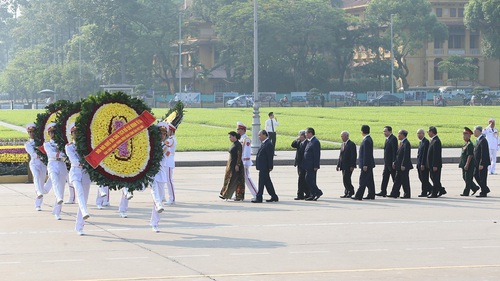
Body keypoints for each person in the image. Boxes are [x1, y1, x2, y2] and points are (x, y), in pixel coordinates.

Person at [65, 123, 91, 235]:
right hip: (75, 172)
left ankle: (79, 227)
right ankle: (85, 211)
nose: (76, 134)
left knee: (84, 198)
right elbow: (74, 160)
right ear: (71, 134)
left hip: (85, 173)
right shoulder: (69, 146)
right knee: (79, 192)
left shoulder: (87, 146)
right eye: (74, 132)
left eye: (78, 132)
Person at [43, 123, 68, 220]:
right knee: (54, 180)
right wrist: (60, 154)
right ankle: (58, 197)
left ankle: (57, 211)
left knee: (61, 187)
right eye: (52, 132)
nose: (53, 134)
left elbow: (65, 154)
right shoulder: (47, 144)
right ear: (49, 133)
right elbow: (51, 154)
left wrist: (60, 154)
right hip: (52, 164)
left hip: (61, 164)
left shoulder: (63, 144)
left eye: (55, 132)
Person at [24, 123, 51, 211]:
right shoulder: (28, 144)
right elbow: (33, 154)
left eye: (33, 131)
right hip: (34, 163)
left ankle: (39, 202)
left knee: (41, 183)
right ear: (28, 133)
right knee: (36, 177)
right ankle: (39, 194)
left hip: (42, 164)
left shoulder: (42, 142)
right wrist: (40, 154)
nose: (32, 133)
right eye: (30, 132)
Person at [150, 122, 168, 233]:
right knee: (154, 191)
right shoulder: (151, 144)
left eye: (164, 133)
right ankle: (159, 204)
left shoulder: (165, 146)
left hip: (161, 174)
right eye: (160, 133)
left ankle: (154, 223)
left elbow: (161, 161)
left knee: (158, 197)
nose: (162, 135)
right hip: (152, 174)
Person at [252, 130, 279, 203]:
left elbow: (270, 157)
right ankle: (274, 196)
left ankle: (259, 197)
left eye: (260, 135)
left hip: (265, 167)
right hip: (262, 166)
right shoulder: (264, 143)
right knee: (267, 182)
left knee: (261, 183)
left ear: (265, 135)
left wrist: (270, 166)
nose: (258, 137)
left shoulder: (268, 144)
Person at [352, 125, 375, 200]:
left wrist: (365, 164)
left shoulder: (366, 141)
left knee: (363, 180)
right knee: (369, 180)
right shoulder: (368, 139)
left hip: (366, 164)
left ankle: (358, 195)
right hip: (369, 164)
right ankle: (371, 194)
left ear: (362, 131)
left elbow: (366, 154)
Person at [220, 131, 245, 200]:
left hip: (236, 165)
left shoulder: (238, 145)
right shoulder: (234, 144)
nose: (229, 138)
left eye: (230, 137)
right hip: (231, 164)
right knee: (229, 179)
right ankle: (226, 194)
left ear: (234, 137)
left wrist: (238, 165)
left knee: (234, 180)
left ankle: (231, 195)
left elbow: (239, 156)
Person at [236, 122, 258, 200]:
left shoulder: (246, 139)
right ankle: (238, 194)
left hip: (244, 162)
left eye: (238, 129)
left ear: (242, 130)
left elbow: (247, 152)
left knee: (247, 178)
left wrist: (245, 162)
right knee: (238, 179)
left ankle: (256, 194)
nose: (237, 130)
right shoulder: (240, 139)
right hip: (240, 161)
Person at [388, 129, 413, 198]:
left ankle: (407, 194)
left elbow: (406, 155)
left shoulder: (406, 143)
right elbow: (398, 155)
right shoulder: (401, 143)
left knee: (405, 181)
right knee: (397, 180)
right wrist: (395, 162)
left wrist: (403, 165)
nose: (398, 135)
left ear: (402, 135)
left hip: (403, 166)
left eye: (399, 134)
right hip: (398, 165)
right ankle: (394, 193)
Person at [376, 126, 397, 197]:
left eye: (385, 131)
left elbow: (394, 151)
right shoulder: (387, 139)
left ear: (390, 131)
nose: (384, 133)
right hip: (387, 162)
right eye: (384, 131)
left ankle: (396, 191)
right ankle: (383, 191)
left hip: (391, 162)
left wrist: (394, 161)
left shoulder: (393, 139)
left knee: (394, 177)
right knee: (385, 176)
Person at [303, 127, 323, 201]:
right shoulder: (309, 141)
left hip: (312, 165)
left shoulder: (315, 142)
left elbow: (316, 155)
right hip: (308, 165)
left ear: (310, 133)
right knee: (308, 179)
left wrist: (316, 165)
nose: (305, 134)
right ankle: (312, 194)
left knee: (309, 179)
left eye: (306, 133)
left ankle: (317, 192)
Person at [459, 127, 480, 196]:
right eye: (463, 134)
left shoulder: (470, 144)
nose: (463, 136)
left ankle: (466, 192)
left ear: (469, 136)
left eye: (465, 135)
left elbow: (470, 155)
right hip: (464, 163)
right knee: (465, 177)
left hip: (469, 165)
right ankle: (474, 187)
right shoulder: (466, 144)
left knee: (468, 178)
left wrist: (467, 164)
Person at [427, 126, 446, 198]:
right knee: (433, 178)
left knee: (435, 179)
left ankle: (434, 193)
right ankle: (441, 190)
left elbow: (436, 154)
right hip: (431, 164)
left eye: (428, 131)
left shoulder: (436, 141)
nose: (428, 133)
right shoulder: (432, 140)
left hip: (435, 165)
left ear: (431, 132)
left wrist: (435, 165)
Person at [337, 131, 357, 198]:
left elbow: (353, 156)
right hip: (343, 165)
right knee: (344, 179)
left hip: (349, 165)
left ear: (347, 136)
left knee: (347, 179)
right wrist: (338, 165)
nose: (341, 137)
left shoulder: (351, 144)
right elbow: (340, 155)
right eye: (341, 136)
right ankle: (346, 192)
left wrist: (352, 165)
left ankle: (351, 191)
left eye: (343, 136)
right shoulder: (342, 144)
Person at [291, 130, 309, 200]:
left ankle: (301, 194)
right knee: (301, 179)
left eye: (300, 136)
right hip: (299, 163)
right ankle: (305, 193)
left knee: (302, 180)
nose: (299, 137)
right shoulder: (299, 142)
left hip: (304, 164)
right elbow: (293, 145)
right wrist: (297, 139)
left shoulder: (307, 143)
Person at [473, 126, 491, 197]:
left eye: (474, 131)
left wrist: (482, 163)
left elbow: (484, 153)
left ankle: (484, 192)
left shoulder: (483, 140)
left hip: (482, 163)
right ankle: (485, 189)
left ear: (478, 131)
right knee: (476, 175)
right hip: (477, 163)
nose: (473, 132)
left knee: (482, 177)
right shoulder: (479, 140)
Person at [164, 123, 177, 205]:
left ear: (171, 131)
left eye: (167, 130)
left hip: (169, 161)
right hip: (166, 160)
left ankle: (172, 198)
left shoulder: (171, 139)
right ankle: (163, 197)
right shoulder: (170, 138)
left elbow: (164, 143)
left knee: (169, 180)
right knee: (165, 179)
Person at [416, 129, 431, 197]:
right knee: (421, 177)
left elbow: (425, 154)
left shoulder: (426, 142)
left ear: (423, 134)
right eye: (417, 133)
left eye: (420, 133)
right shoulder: (420, 142)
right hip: (419, 163)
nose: (418, 135)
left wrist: (422, 164)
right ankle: (430, 189)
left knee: (424, 178)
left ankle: (424, 191)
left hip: (423, 164)